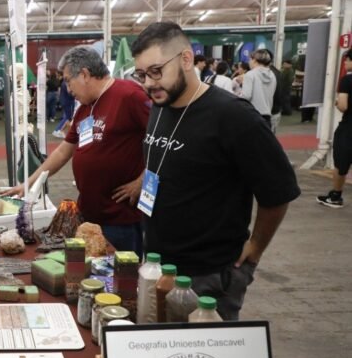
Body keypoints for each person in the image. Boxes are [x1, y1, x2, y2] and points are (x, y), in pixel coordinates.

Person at [131, 21, 300, 321]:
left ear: (185, 59)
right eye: (141, 74)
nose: (148, 83)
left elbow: (279, 190)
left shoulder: (233, 116)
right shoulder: (160, 107)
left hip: (207, 275)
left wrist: (257, 246)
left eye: (156, 71)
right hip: (159, 263)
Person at [5, 45, 151, 256]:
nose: (67, 88)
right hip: (89, 214)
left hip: (121, 218)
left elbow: (164, 141)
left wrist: (143, 181)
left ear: (84, 74)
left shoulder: (129, 95)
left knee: (120, 280)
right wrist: (30, 183)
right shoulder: (85, 107)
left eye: (67, 80)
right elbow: (64, 151)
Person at [316, 50, 352, 208]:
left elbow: (343, 106)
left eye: (347, 60)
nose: (345, 63)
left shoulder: (347, 80)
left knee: (342, 161)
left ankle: (336, 196)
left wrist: (337, 103)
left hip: (349, 127)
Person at [239, 49, 277, 126]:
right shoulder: (272, 75)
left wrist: (237, 95)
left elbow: (246, 96)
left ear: (255, 60)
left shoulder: (250, 74)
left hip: (252, 115)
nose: (249, 62)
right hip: (267, 115)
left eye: (250, 59)